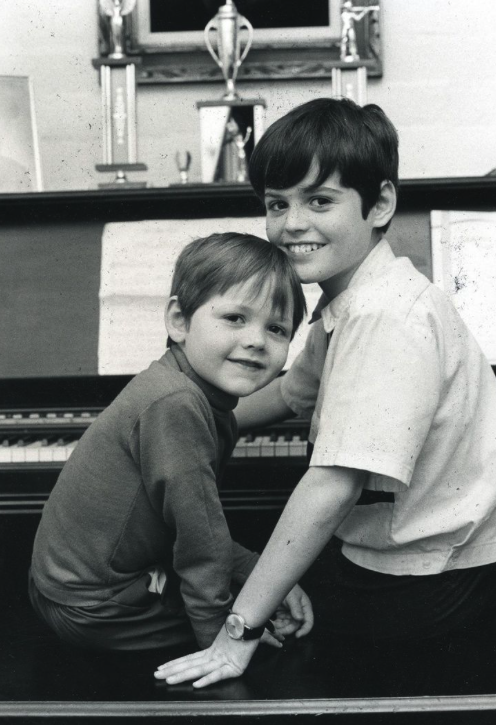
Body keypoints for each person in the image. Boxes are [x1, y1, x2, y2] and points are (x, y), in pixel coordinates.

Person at [155, 97, 496, 688]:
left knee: (237, 643)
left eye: (319, 201)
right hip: (396, 558)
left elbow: (333, 485)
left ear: (380, 203)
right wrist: (185, 419)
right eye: (277, 204)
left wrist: (238, 634)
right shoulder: (353, 295)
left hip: (429, 583)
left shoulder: (386, 319)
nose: (292, 224)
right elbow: (290, 392)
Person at [28, 232, 312, 652]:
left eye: (276, 328)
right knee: (262, 643)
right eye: (235, 318)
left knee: (256, 612)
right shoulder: (176, 403)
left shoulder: (186, 390)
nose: (256, 340)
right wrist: (227, 639)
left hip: (71, 590)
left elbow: (199, 530)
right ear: (179, 321)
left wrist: (259, 574)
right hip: (95, 607)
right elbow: (200, 544)